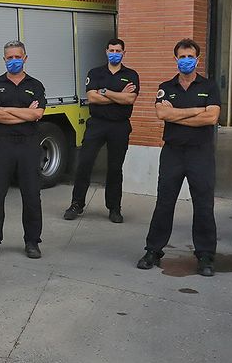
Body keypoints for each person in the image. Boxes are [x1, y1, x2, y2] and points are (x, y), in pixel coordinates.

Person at [138, 39, 220, 276]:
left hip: (200, 153)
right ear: (175, 59)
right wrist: (197, 110)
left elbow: (211, 118)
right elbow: (161, 113)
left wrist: (176, 114)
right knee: (164, 203)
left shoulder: (210, 86)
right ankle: (153, 250)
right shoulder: (166, 86)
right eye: (181, 56)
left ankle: (205, 255)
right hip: (173, 152)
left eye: (190, 56)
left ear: (198, 58)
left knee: (204, 205)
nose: (186, 60)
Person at [65, 37, 139, 223]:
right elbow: (92, 98)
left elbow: (129, 100)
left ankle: (114, 208)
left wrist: (105, 91)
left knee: (115, 168)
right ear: (106, 52)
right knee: (84, 163)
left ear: (124, 53)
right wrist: (119, 95)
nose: (114, 54)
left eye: (118, 51)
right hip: (97, 124)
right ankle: (77, 204)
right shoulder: (95, 72)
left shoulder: (131, 75)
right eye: (111, 51)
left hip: (120, 126)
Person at [0, 40, 46, 259]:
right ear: (4, 60)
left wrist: (6, 110)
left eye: (17, 57)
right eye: (9, 58)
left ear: (25, 58)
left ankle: (32, 242)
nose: (13, 61)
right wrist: (23, 113)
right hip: (2, 144)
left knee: (31, 196)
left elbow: (37, 115)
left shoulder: (36, 85)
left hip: (29, 145)